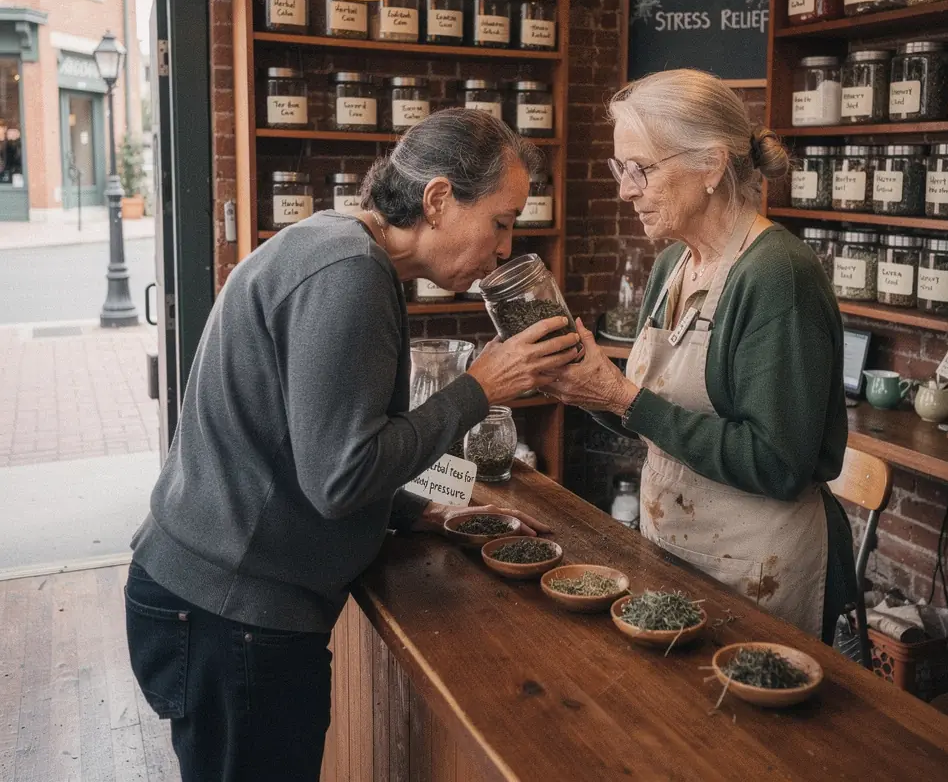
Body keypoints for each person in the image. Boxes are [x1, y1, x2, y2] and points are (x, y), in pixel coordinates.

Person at [124, 109, 580, 781]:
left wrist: (409, 510)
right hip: (232, 615)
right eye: (502, 221)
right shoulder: (350, 274)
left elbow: (302, 439)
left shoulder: (337, 245)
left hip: (206, 600)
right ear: (438, 198)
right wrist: (479, 387)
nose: (505, 248)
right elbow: (338, 479)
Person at [544, 69, 856, 641]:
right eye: (621, 169)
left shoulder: (776, 274)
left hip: (758, 569)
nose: (625, 189)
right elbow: (654, 414)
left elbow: (779, 463)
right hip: (676, 547)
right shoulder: (673, 265)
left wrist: (625, 397)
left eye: (640, 169)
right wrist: (583, 384)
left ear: (710, 165)